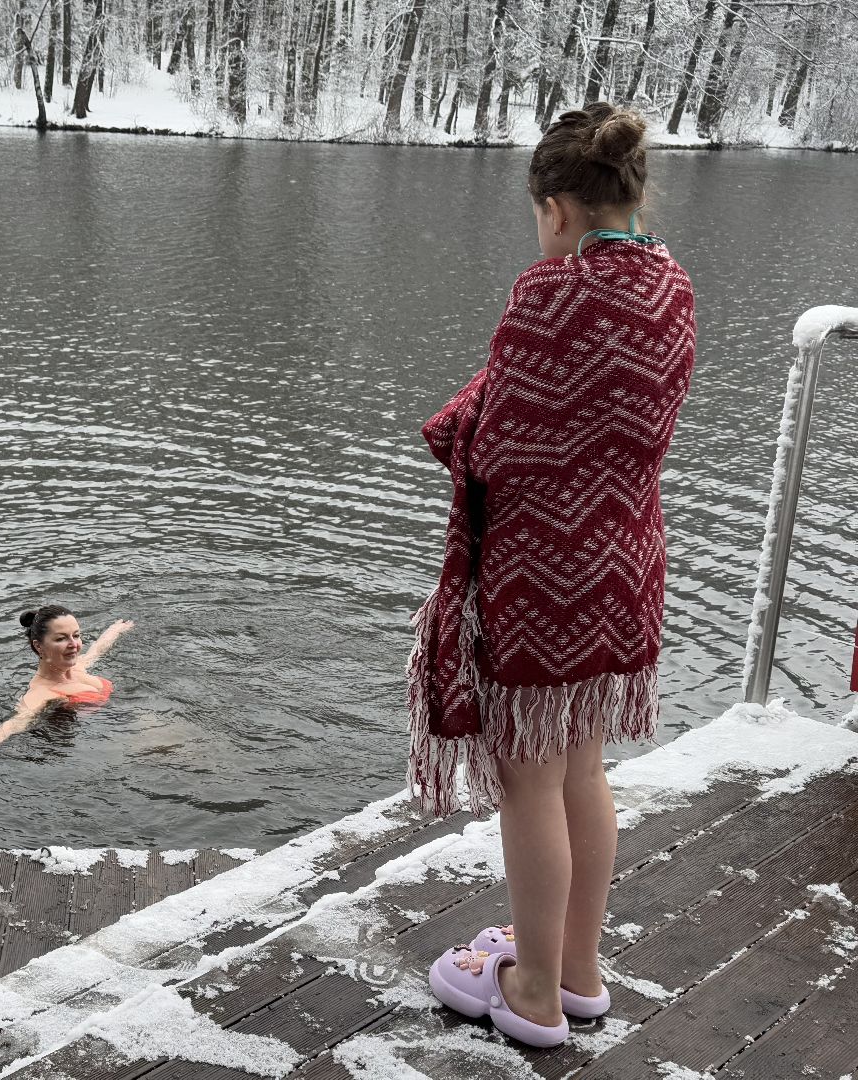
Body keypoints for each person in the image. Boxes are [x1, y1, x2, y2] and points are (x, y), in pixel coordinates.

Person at [409, 103, 697, 1048]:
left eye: (539, 215)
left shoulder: (549, 294)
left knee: (529, 781)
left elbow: (496, 445)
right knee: (583, 768)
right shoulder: (670, 285)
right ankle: (578, 970)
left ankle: (530, 992)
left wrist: (458, 422)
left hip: (544, 580)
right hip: (627, 565)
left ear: (556, 208)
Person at [0, 605, 134, 765]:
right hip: (113, 742)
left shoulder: (77, 667)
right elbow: (14, 723)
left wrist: (114, 631)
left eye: (76, 635)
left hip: (126, 724)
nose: (74, 644)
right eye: (61, 638)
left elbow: (95, 651)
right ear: (39, 646)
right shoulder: (42, 693)